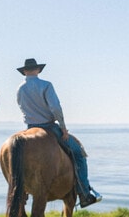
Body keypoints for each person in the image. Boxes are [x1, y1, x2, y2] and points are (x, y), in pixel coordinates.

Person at [16, 57, 102, 208]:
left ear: (24, 71)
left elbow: (22, 108)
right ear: (37, 70)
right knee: (78, 153)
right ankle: (84, 193)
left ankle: (20, 193)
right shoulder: (46, 85)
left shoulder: (20, 89)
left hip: (29, 127)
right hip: (49, 127)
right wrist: (62, 127)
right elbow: (55, 108)